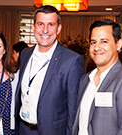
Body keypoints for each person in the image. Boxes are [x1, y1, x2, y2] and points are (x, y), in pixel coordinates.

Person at [14, 5, 85, 135]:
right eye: (40, 24)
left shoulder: (72, 61)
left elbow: (73, 109)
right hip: (23, 129)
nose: (45, 30)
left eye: (51, 24)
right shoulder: (25, 54)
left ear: (58, 29)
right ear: (33, 27)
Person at [72, 19, 122, 135]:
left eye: (104, 41)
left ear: (118, 44)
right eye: (93, 42)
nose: (97, 48)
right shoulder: (85, 79)